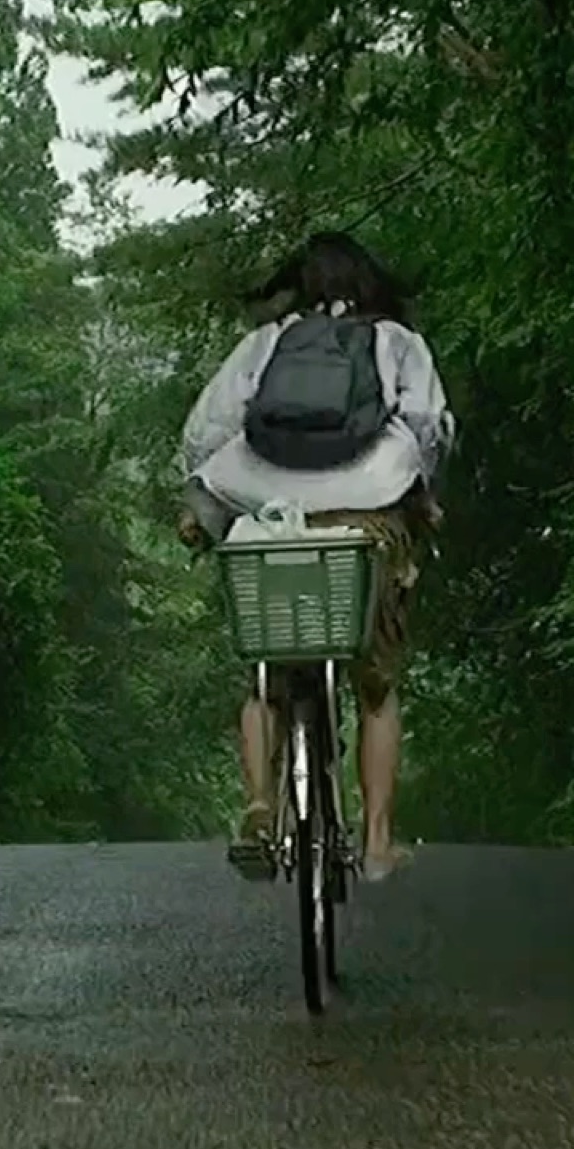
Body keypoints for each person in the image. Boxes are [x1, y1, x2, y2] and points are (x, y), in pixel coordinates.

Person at [176, 231, 455, 884]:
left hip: (266, 512)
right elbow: (429, 427)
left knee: (265, 673)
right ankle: (379, 841)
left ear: (299, 285)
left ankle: (258, 803)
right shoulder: (393, 342)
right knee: (377, 684)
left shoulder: (267, 343)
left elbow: (206, 430)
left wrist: (198, 501)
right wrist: (423, 495)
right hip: (367, 508)